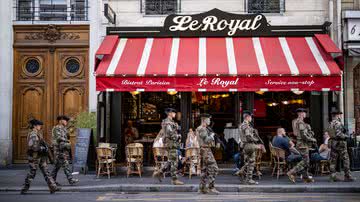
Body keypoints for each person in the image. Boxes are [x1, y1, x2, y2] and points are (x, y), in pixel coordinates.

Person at [21, 119, 59, 194]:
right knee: (32, 173)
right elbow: (33, 146)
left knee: (46, 172)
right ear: (35, 126)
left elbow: (41, 143)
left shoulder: (38, 133)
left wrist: (48, 147)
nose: (40, 127)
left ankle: (53, 187)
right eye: (39, 125)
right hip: (34, 157)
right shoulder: (33, 134)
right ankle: (24, 189)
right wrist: (43, 148)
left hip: (41, 157)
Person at [153, 108, 184, 185]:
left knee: (171, 160)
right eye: (173, 112)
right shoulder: (167, 122)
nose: (175, 114)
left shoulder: (171, 122)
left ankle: (159, 172)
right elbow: (169, 134)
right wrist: (178, 136)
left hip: (173, 143)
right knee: (174, 161)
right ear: (169, 113)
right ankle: (174, 179)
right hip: (170, 144)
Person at [287, 108, 317, 183]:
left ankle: (305, 177)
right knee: (306, 161)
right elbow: (303, 135)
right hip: (302, 144)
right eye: (304, 113)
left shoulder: (300, 122)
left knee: (306, 161)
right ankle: (292, 172)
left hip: (303, 144)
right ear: (300, 114)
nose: (305, 114)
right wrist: (312, 139)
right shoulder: (300, 123)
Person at [328, 109, 355, 182]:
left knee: (333, 160)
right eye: (339, 115)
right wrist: (347, 136)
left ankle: (332, 176)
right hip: (340, 143)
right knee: (346, 159)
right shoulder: (338, 123)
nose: (340, 116)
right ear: (337, 115)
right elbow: (338, 134)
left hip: (333, 143)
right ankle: (347, 176)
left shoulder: (330, 123)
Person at [51, 115, 79, 186]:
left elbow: (68, 136)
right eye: (65, 120)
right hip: (58, 150)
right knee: (65, 165)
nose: (67, 122)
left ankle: (51, 181)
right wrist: (69, 142)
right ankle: (71, 180)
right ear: (61, 121)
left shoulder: (64, 129)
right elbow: (59, 138)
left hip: (63, 149)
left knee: (57, 167)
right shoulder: (56, 128)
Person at [196, 114, 219, 194]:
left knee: (205, 170)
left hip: (204, 150)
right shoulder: (202, 129)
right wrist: (212, 136)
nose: (209, 121)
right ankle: (211, 187)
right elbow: (206, 140)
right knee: (214, 168)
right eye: (208, 119)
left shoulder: (203, 128)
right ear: (204, 120)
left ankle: (202, 188)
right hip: (205, 150)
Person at [238, 110, 263, 185]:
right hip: (249, 145)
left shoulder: (242, 125)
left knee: (248, 161)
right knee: (251, 162)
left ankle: (241, 172)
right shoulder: (246, 125)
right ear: (247, 117)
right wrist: (255, 140)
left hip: (245, 145)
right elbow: (248, 136)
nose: (251, 118)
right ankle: (249, 179)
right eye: (251, 117)